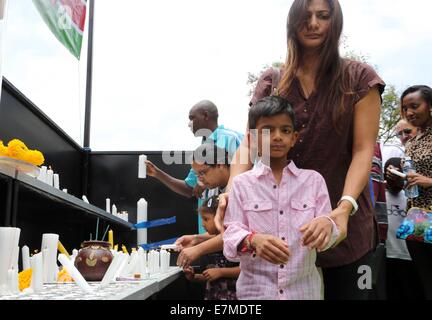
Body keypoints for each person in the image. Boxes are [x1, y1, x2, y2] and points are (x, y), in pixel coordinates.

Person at [216, 0, 385, 300]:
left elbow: (363, 150)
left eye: (323, 16)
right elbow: (249, 144)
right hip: (283, 242)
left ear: (335, 23)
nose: (314, 24)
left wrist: (343, 209)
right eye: (305, 16)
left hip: (345, 233)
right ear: (292, 22)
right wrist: (229, 192)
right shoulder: (273, 82)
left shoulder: (358, 78)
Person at [223, 96, 338, 300]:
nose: (277, 137)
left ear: (294, 138)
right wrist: (252, 240)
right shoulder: (242, 184)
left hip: (304, 292)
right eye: (267, 130)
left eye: (285, 130)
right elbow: (230, 236)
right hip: (256, 293)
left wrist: (327, 226)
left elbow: (329, 236)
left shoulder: (313, 181)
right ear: (251, 139)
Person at [145, 100, 243, 233]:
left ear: (206, 116)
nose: (189, 123)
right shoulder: (201, 151)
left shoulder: (232, 139)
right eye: (199, 174)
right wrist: (157, 173)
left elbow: (244, 177)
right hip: (209, 234)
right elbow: (189, 189)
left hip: (233, 228)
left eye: (192, 118)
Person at [397, 85, 432, 299]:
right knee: (426, 282)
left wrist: (429, 181)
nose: (409, 112)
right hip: (417, 220)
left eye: (415, 106)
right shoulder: (412, 141)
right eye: (405, 108)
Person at [176, 144, 232, 269]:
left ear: (220, 164)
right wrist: (196, 239)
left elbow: (234, 235)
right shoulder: (220, 190)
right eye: (197, 175)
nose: (200, 181)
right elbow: (226, 232)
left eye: (203, 173)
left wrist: (198, 249)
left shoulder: (241, 188)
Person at [183, 196, 240, 300]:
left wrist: (221, 272)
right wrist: (194, 277)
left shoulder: (235, 241)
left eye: (206, 219)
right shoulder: (210, 245)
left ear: (221, 217)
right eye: (202, 219)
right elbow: (213, 276)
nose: (203, 224)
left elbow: (245, 270)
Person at [383, 157, 424, 300]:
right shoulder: (379, 197)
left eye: (400, 173)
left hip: (411, 256)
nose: (395, 177)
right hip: (387, 256)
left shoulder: (414, 197)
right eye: (390, 174)